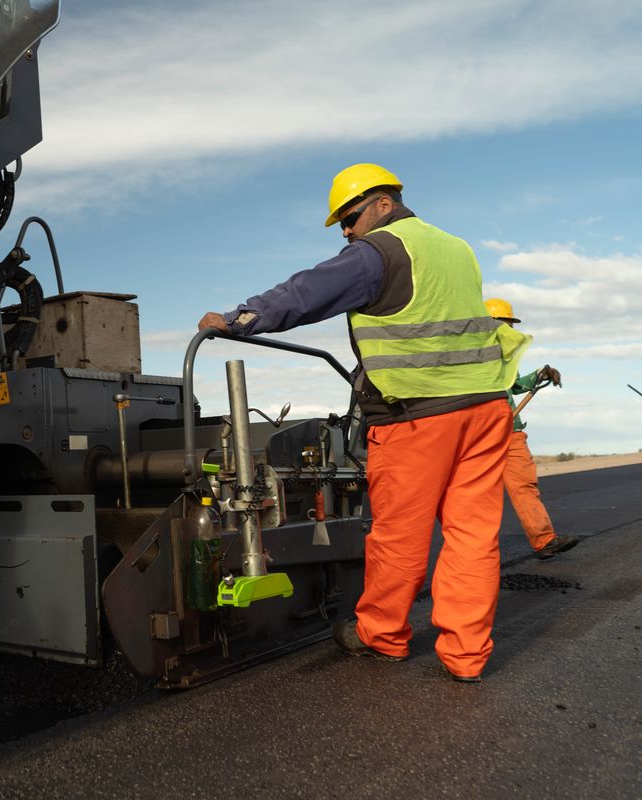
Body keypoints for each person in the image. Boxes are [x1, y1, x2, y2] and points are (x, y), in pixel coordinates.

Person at [199, 163, 530, 682]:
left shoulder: (381, 250)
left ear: (383, 202)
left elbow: (311, 290)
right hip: (485, 409)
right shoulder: (456, 248)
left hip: (416, 417)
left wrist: (242, 319)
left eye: (350, 218)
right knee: (472, 536)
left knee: (400, 535)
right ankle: (467, 657)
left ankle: (382, 634)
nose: (348, 232)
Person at [484, 298, 580, 560]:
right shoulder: (469, 358)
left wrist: (540, 374)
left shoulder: (506, 356)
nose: (509, 330)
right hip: (481, 434)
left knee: (524, 486)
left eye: (510, 324)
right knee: (477, 495)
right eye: (504, 324)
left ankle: (544, 540)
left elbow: (514, 385)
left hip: (511, 431)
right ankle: (476, 554)